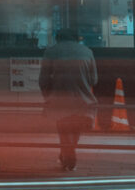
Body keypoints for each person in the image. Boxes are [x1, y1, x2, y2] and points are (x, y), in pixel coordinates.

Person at [39, 28, 99, 172]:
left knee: (63, 129)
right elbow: (94, 80)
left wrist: (48, 96)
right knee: (75, 128)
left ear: (58, 38)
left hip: (60, 99)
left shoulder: (51, 52)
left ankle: (67, 153)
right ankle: (68, 152)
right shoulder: (87, 52)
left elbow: (43, 80)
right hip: (83, 101)